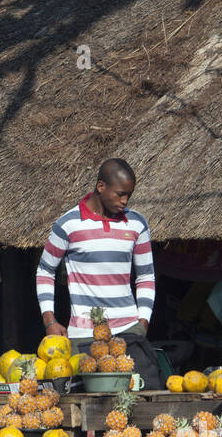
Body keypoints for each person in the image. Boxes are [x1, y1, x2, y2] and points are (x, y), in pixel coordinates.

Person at [36, 158, 160, 387]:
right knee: (90, 405)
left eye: (128, 196)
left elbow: (146, 276)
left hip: (129, 331)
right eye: (120, 194)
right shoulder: (68, 224)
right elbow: (45, 271)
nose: (125, 201)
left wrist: (143, 321)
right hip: (83, 335)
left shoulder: (137, 224)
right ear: (101, 186)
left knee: (146, 394)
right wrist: (49, 319)